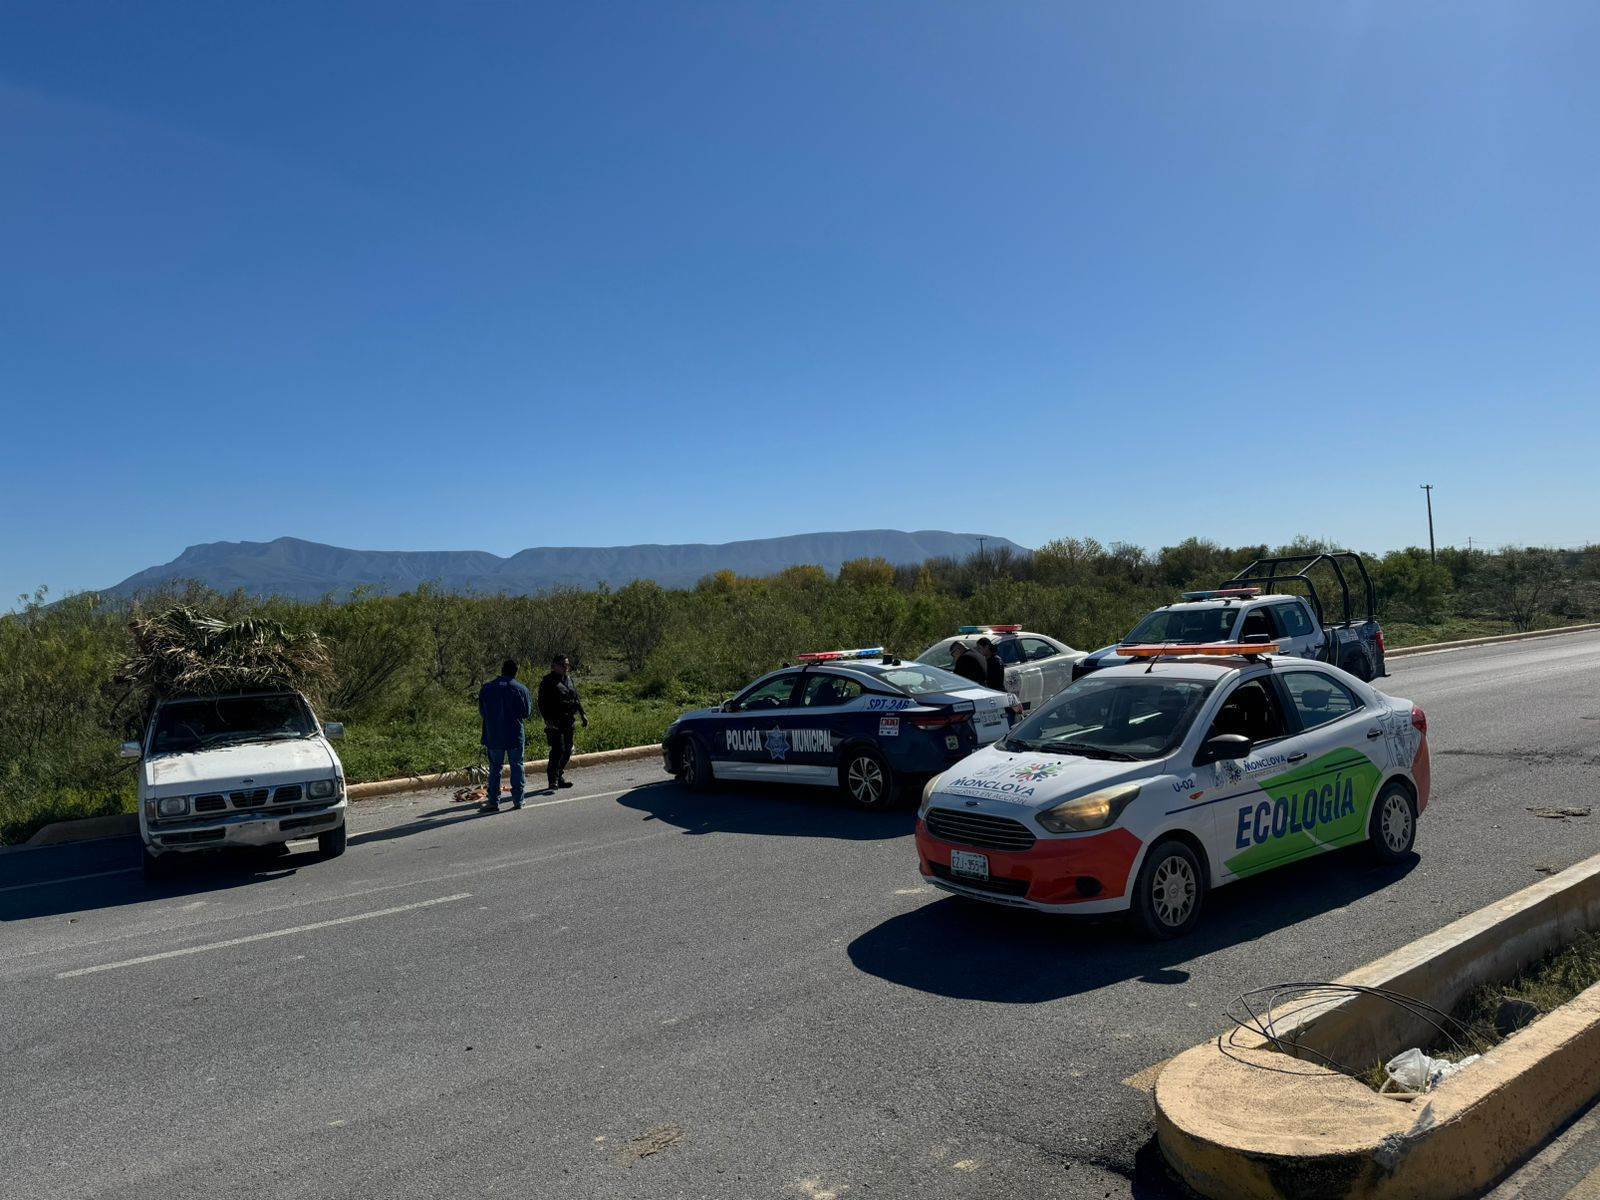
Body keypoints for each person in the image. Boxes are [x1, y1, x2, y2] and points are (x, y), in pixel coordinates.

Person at [477, 658, 532, 812]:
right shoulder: (520, 689)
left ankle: (493, 801)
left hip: (494, 735)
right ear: (516, 671)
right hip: (514, 736)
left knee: (495, 768)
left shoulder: (487, 688)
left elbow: (483, 712)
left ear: (502, 670)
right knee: (517, 766)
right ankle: (518, 801)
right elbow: (526, 713)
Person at [537, 653, 588, 791]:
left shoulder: (569, 679)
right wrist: (547, 720)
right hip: (554, 721)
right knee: (557, 750)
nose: (566, 667)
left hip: (568, 721)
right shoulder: (547, 681)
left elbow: (576, 698)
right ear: (555, 666)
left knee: (568, 749)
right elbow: (541, 703)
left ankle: (559, 775)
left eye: (567, 665)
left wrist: (582, 714)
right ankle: (552, 780)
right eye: (563, 665)